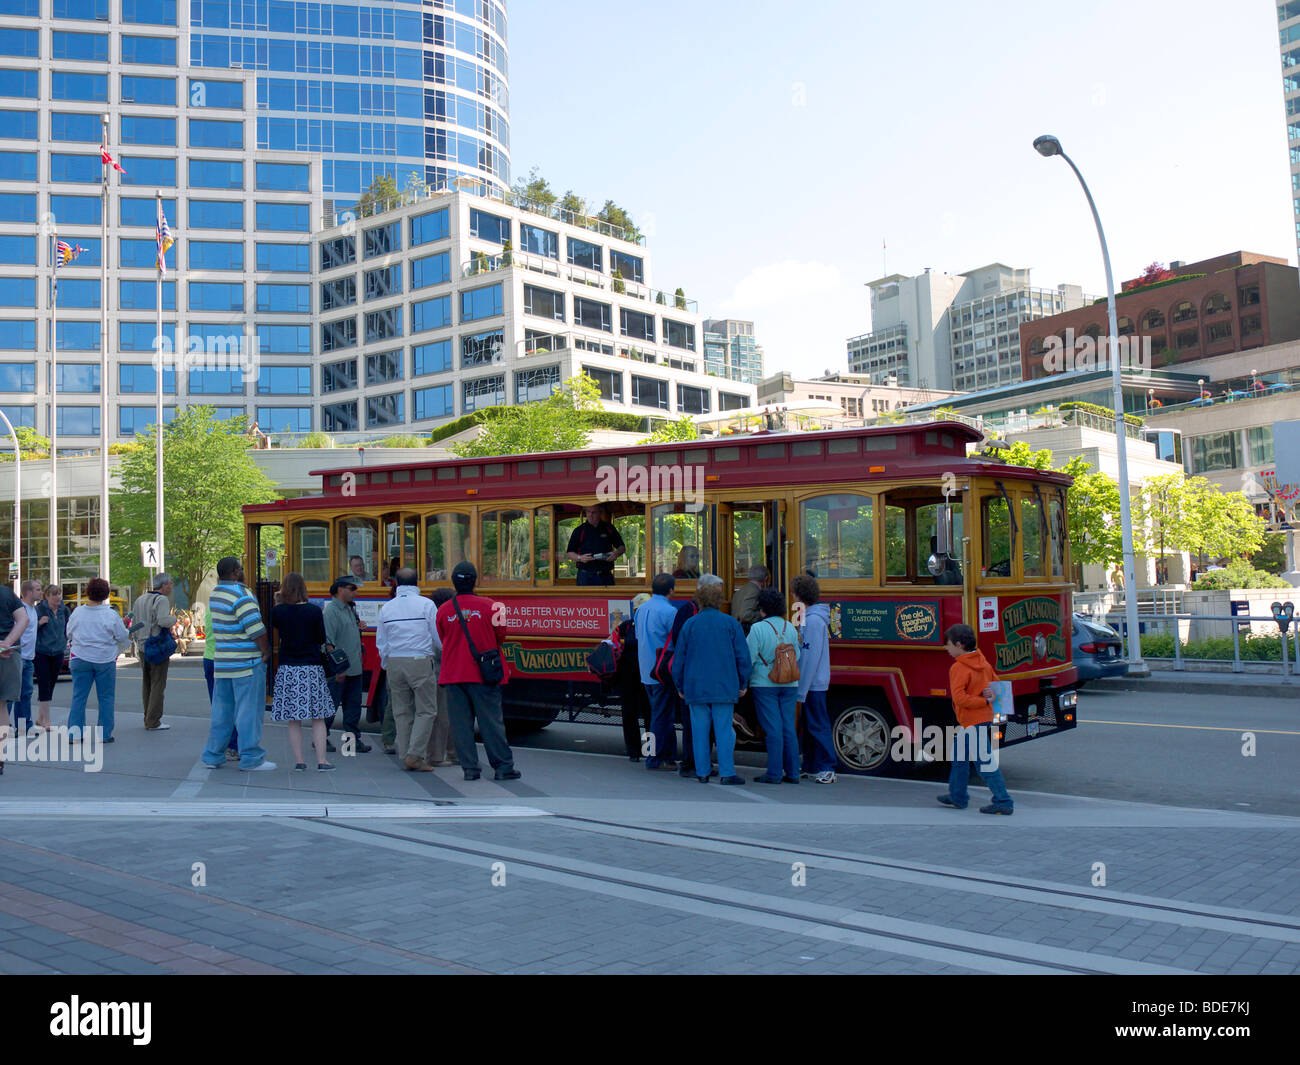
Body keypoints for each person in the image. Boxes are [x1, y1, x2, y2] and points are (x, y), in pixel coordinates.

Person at [436, 561, 519, 781]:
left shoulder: (443, 610)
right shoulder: (494, 606)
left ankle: (470, 769)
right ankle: (503, 767)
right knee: (491, 722)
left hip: (453, 674)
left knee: (461, 726)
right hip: (484, 674)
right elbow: (502, 636)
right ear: (475, 581)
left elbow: (443, 637)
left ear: (453, 582)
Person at [671, 580, 751, 785]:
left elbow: (678, 658)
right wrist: (743, 683)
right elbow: (743, 656)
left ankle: (702, 772)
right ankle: (727, 772)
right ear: (718, 601)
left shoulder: (690, 624)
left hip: (695, 686)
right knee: (724, 729)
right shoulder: (731, 623)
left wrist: (680, 685)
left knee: (699, 730)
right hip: (724, 686)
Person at [201, 556, 275, 772]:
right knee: (248, 713)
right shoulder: (242, 595)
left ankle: (213, 755)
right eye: (240, 569)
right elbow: (255, 629)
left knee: (221, 712)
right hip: (246, 663)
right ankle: (251, 758)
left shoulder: (216, 594)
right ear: (235, 572)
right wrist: (266, 651)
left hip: (223, 662)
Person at [937, 623, 1014, 815]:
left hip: (971, 720)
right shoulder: (983, 662)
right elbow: (998, 688)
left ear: (959, 644)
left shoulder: (959, 667)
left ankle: (1003, 800)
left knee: (983, 762)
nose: (946, 649)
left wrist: (983, 700)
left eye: (948, 645)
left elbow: (959, 699)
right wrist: (989, 698)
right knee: (959, 757)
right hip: (982, 718)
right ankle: (957, 795)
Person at [377, 567, 440, 772]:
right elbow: (437, 638)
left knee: (401, 712)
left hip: (395, 662)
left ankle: (404, 753)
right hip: (420, 660)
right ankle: (415, 754)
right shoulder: (427, 605)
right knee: (426, 710)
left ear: (396, 583)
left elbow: (382, 642)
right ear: (417, 582)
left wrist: (387, 664)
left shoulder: (387, 608)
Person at [271, 572, 336, 772]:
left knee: (294, 719)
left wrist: (277, 601)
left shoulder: (278, 612)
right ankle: (322, 760)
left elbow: (276, 626)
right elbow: (320, 638)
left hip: (288, 668)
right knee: (318, 717)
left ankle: (299, 761)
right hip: (312, 668)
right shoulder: (314, 611)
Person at [746, 588, 802, 784]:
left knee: (773, 728)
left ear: (762, 610)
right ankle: (793, 772)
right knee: (788, 727)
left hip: (764, 683)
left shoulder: (757, 629)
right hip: (790, 683)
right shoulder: (790, 628)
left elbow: (749, 658)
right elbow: (798, 656)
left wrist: (743, 681)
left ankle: (774, 773)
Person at [65, 577, 130, 744]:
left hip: (80, 657)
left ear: (88, 592)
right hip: (104, 659)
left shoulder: (77, 612)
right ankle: (104, 734)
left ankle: (74, 734)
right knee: (106, 697)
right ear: (106, 594)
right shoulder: (111, 614)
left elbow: (69, 633)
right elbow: (122, 636)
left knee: (79, 696)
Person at [635, 574, 681, 770]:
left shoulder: (642, 609)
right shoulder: (670, 611)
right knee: (660, 717)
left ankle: (668, 755)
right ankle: (652, 756)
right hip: (662, 670)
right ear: (671, 590)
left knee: (657, 713)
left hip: (646, 669)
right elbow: (676, 640)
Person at [793, 574, 836, 784]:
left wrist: (801, 688)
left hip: (812, 683)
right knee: (811, 725)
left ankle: (827, 766)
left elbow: (809, 657)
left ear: (800, 596)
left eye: (794, 594)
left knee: (818, 725)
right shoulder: (810, 618)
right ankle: (811, 765)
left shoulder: (812, 622)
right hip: (814, 682)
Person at [323, 575, 371, 754]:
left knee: (353, 708)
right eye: (352, 589)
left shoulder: (349, 609)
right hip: (341, 670)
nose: (355, 592)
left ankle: (351, 742)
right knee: (331, 705)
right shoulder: (332, 611)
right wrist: (338, 668)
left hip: (355, 668)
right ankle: (321, 738)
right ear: (340, 589)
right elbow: (328, 642)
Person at [130, 572, 178, 732]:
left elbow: (134, 624)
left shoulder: (140, 599)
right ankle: (154, 721)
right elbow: (163, 620)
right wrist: (174, 619)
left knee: (147, 683)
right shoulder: (162, 600)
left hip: (143, 646)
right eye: (170, 583)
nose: (171, 586)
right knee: (158, 684)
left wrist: (137, 640)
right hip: (157, 646)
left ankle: (147, 716)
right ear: (163, 586)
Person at [616, 593, 652, 760]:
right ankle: (649, 750)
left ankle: (634, 751)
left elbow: (612, 643)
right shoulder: (652, 625)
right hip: (646, 674)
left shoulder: (626, 626)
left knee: (630, 713)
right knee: (649, 713)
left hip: (628, 674)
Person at [425, 587, 457, 767]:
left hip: (435, 671)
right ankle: (438, 756)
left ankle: (448, 753)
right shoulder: (440, 618)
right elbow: (440, 648)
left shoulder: (434, 617)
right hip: (440, 672)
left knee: (441, 715)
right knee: (442, 716)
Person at [33, 584, 69, 731]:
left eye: (59, 594)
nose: (57, 597)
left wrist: (68, 641)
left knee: (51, 684)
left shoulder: (64, 610)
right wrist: (39, 623)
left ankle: (40, 718)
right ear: (46, 596)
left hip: (58, 651)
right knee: (44, 684)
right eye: (54, 594)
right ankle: (46, 720)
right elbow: (28, 629)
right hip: (42, 651)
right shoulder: (39, 610)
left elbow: (70, 627)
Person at [565, 504, 626, 586]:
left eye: (593, 512)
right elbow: (569, 553)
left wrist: (616, 553)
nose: (590, 515)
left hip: (606, 575)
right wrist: (580, 558)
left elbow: (622, 547)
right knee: (585, 599)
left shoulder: (609, 528)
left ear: (600, 513)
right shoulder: (579, 530)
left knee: (608, 598)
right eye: (588, 512)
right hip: (585, 576)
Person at [7, 580, 39, 731]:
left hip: (29, 658)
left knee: (26, 693)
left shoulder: (34, 609)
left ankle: (24, 725)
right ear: (28, 592)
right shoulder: (19, 609)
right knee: (11, 693)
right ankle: (5, 725)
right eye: (38, 589)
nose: (41, 592)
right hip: (17, 656)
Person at [0, 578, 28, 730]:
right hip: (8, 653)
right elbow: (23, 619)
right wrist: (7, 642)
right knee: (1, 705)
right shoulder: (6, 593)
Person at [729, 565, 768, 633]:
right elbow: (745, 615)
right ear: (765, 578)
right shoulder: (755, 591)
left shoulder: (740, 591)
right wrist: (762, 614)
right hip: (747, 632)